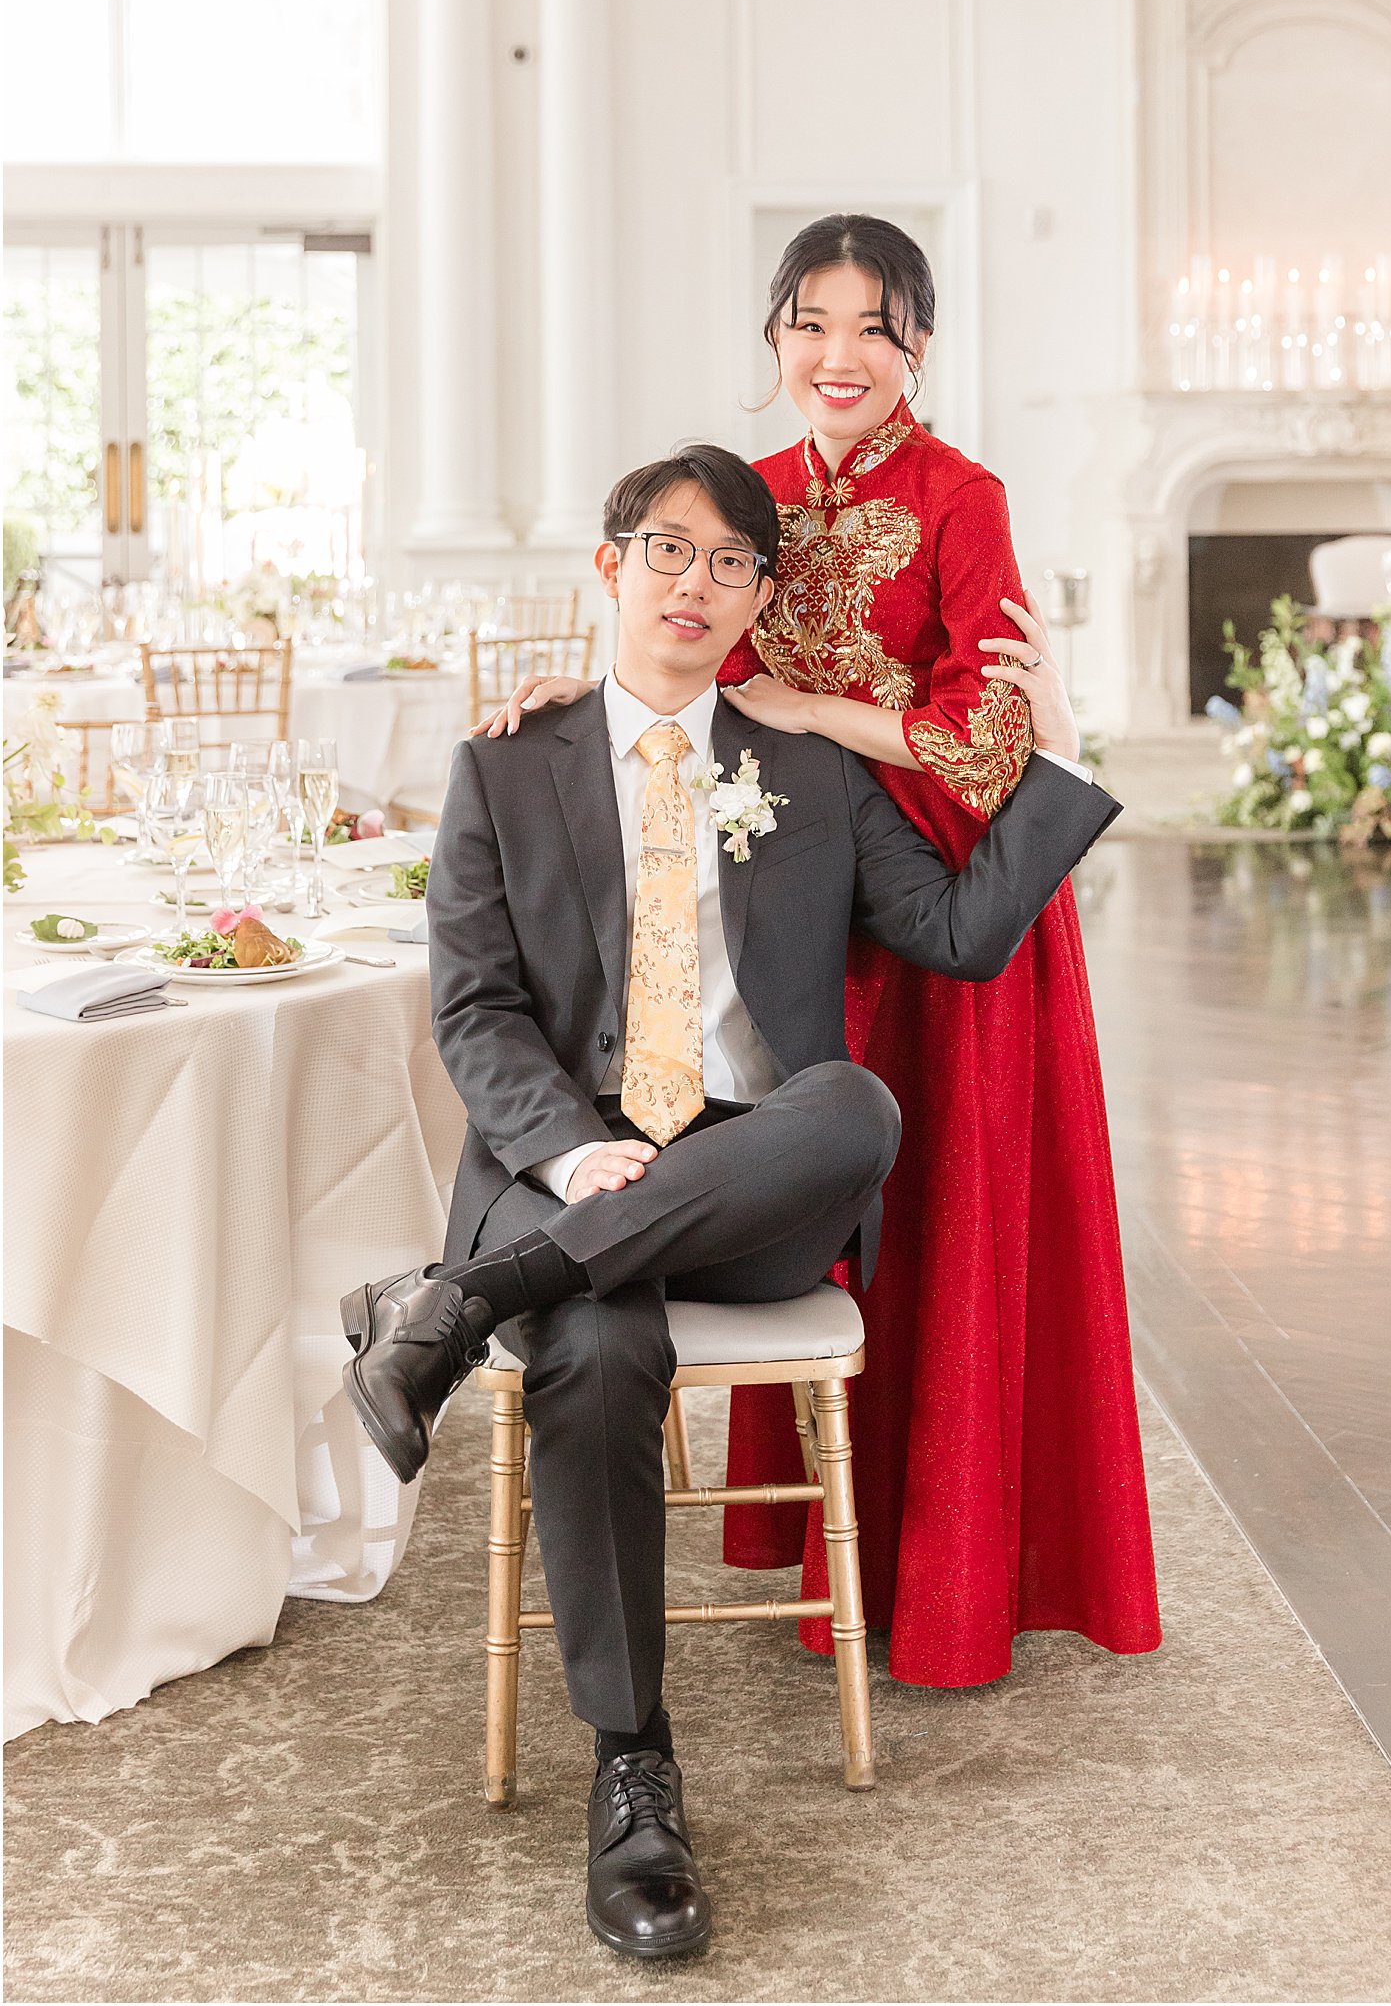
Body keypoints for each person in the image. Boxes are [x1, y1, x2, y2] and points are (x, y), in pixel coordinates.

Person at [345, 444, 1119, 1959]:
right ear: (609, 565)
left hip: (753, 1167)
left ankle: (455, 1309)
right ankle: (635, 1770)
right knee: (597, 1344)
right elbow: (478, 1014)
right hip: (563, 1161)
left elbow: (960, 933)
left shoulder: (807, 765)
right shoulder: (507, 762)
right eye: (668, 551)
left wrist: (1054, 747)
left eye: (728, 564)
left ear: (760, 596)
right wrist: (575, 1155)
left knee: (857, 1102)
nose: (693, 584)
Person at [475, 217, 1161, 1689]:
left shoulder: (959, 496)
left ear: (919, 345)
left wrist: (817, 716)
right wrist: (576, 682)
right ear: (773, 337)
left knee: (944, 1229)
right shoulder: (755, 500)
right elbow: (682, 655)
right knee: (802, 1180)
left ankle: (955, 1581)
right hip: (793, 910)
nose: (839, 356)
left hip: (947, 906)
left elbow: (992, 738)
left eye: (876, 328)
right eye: (812, 323)